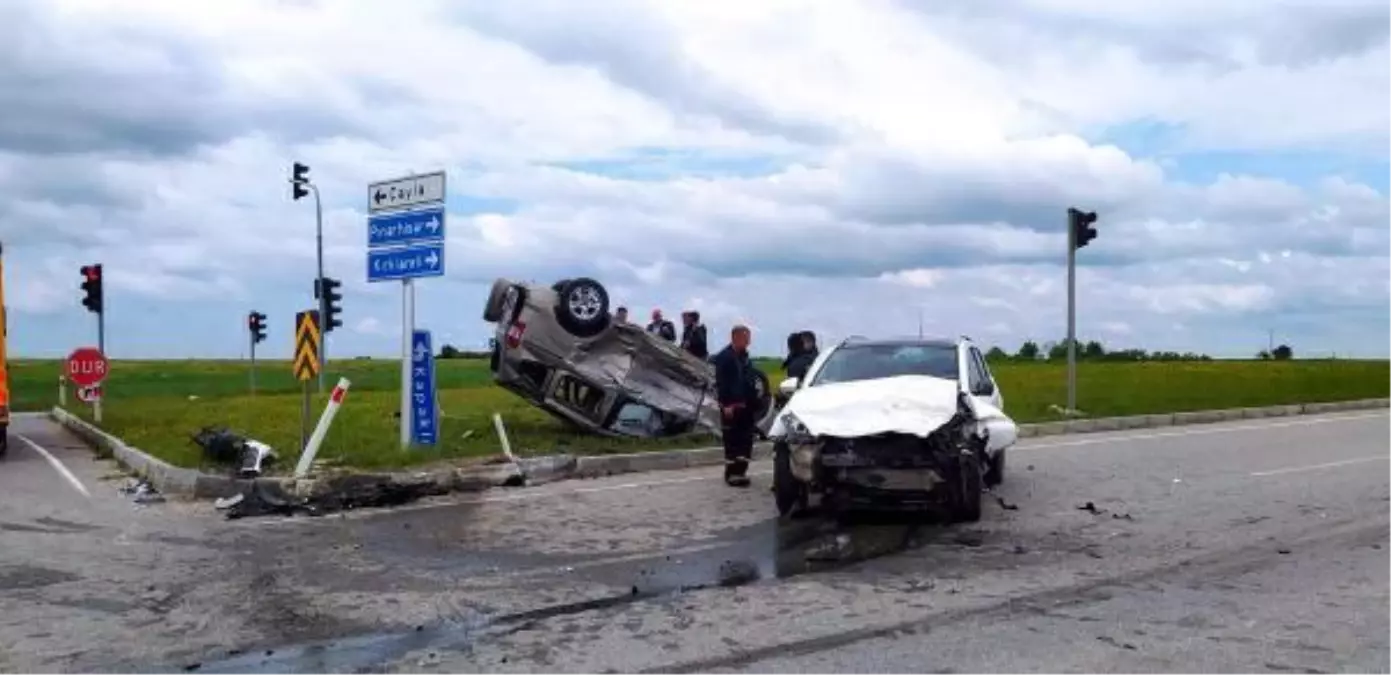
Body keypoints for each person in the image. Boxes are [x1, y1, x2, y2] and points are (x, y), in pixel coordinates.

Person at [712, 324, 758, 487]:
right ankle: (732, 474)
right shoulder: (724, 357)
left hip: (746, 406)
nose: (749, 341)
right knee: (732, 441)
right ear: (736, 337)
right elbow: (721, 384)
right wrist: (725, 405)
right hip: (731, 407)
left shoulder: (745, 357)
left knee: (746, 441)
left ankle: (741, 472)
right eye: (746, 338)